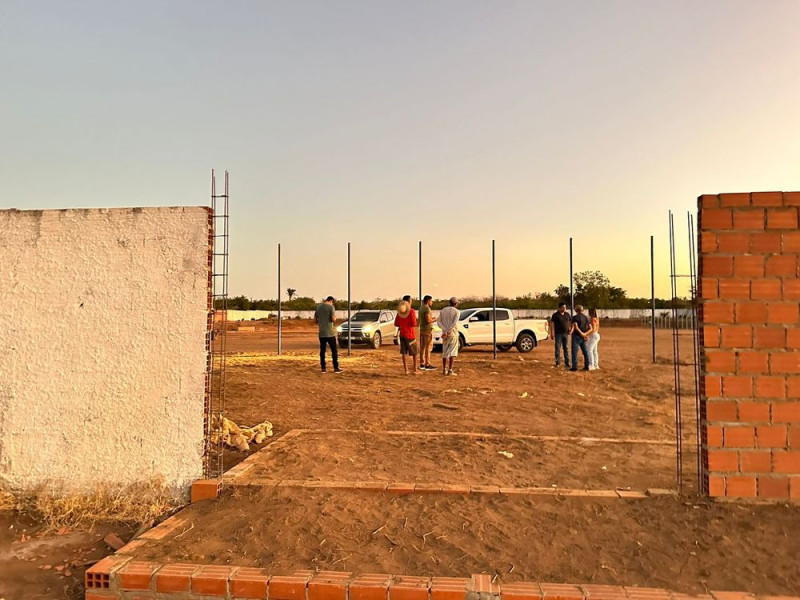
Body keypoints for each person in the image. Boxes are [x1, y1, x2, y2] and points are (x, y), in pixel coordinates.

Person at [314, 296, 342, 374]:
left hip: (321, 333)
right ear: (331, 301)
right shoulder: (331, 307)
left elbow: (315, 319)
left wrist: (321, 322)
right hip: (330, 333)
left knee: (322, 351)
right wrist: (334, 318)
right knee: (334, 351)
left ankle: (323, 368)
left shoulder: (318, 307)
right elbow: (333, 319)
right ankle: (336, 368)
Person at [394, 299, 420, 374]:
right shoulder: (411, 311)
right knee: (415, 352)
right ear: (409, 302)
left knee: (404, 353)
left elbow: (396, 323)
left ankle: (406, 370)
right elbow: (414, 324)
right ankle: (415, 370)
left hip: (402, 334)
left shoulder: (399, 312)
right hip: (410, 334)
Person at [437, 297, 460, 376]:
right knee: (452, 352)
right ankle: (450, 370)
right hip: (452, 333)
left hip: (445, 334)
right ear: (455, 303)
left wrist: (444, 330)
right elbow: (454, 323)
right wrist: (447, 330)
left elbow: (439, 322)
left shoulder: (443, 310)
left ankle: (444, 369)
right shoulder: (457, 311)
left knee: (445, 352)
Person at [570, 304, 591, 372]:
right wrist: (585, 334)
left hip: (576, 336)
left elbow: (576, 327)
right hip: (584, 337)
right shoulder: (586, 318)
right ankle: (587, 365)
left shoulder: (575, 317)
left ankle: (574, 367)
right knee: (585, 352)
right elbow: (591, 328)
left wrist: (581, 333)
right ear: (582, 310)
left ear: (576, 310)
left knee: (574, 352)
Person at [549, 302, 571, 368]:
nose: (564, 309)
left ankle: (567, 362)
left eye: (565, 307)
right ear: (559, 308)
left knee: (566, 348)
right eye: (563, 307)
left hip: (566, 334)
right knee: (558, 348)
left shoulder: (567, 314)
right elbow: (552, 324)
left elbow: (569, 322)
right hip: (558, 334)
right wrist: (552, 333)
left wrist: (570, 329)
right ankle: (557, 362)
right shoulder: (555, 315)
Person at [418, 295, 436, 370]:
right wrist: (435, 320)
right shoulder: (427, 309)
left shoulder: (421, 308)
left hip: (422, 329)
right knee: (428, 347)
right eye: (431, 301)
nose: (432, 302)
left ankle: (422, 363)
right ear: (428, 301)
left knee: (422, 347)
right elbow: (428, 320)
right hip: (427, 330)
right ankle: (427, 364)